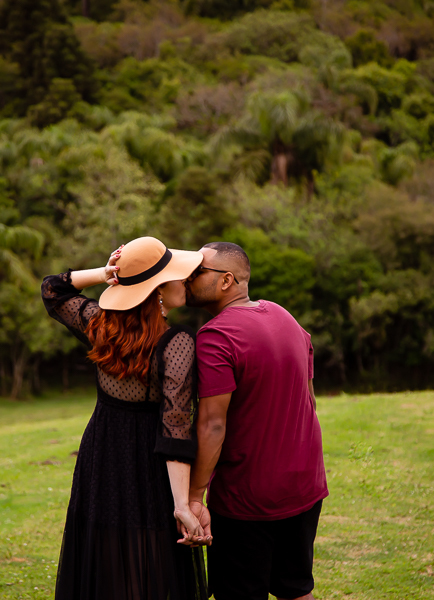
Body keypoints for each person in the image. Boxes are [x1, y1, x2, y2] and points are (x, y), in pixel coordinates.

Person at [41, 236, 210, 600]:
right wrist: (182, 503)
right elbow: (175, 428)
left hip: (102, 454)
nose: (185, 281)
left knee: (107, 548)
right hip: (147, 461)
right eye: (177, 276)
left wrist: (104, 274)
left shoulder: (100, 322)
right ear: (159, 291)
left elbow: (52, 289)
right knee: (151, 558)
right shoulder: (177, 342)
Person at [184, 242, 328, 600]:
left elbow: (212, 425)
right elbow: (309, 400)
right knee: (296, 588)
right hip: (305, 487)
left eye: (198, 271)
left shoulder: (216, 336)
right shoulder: (285, 316)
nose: (188, 277)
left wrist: (193, 495)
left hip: (248, 500)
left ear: (226, 281)